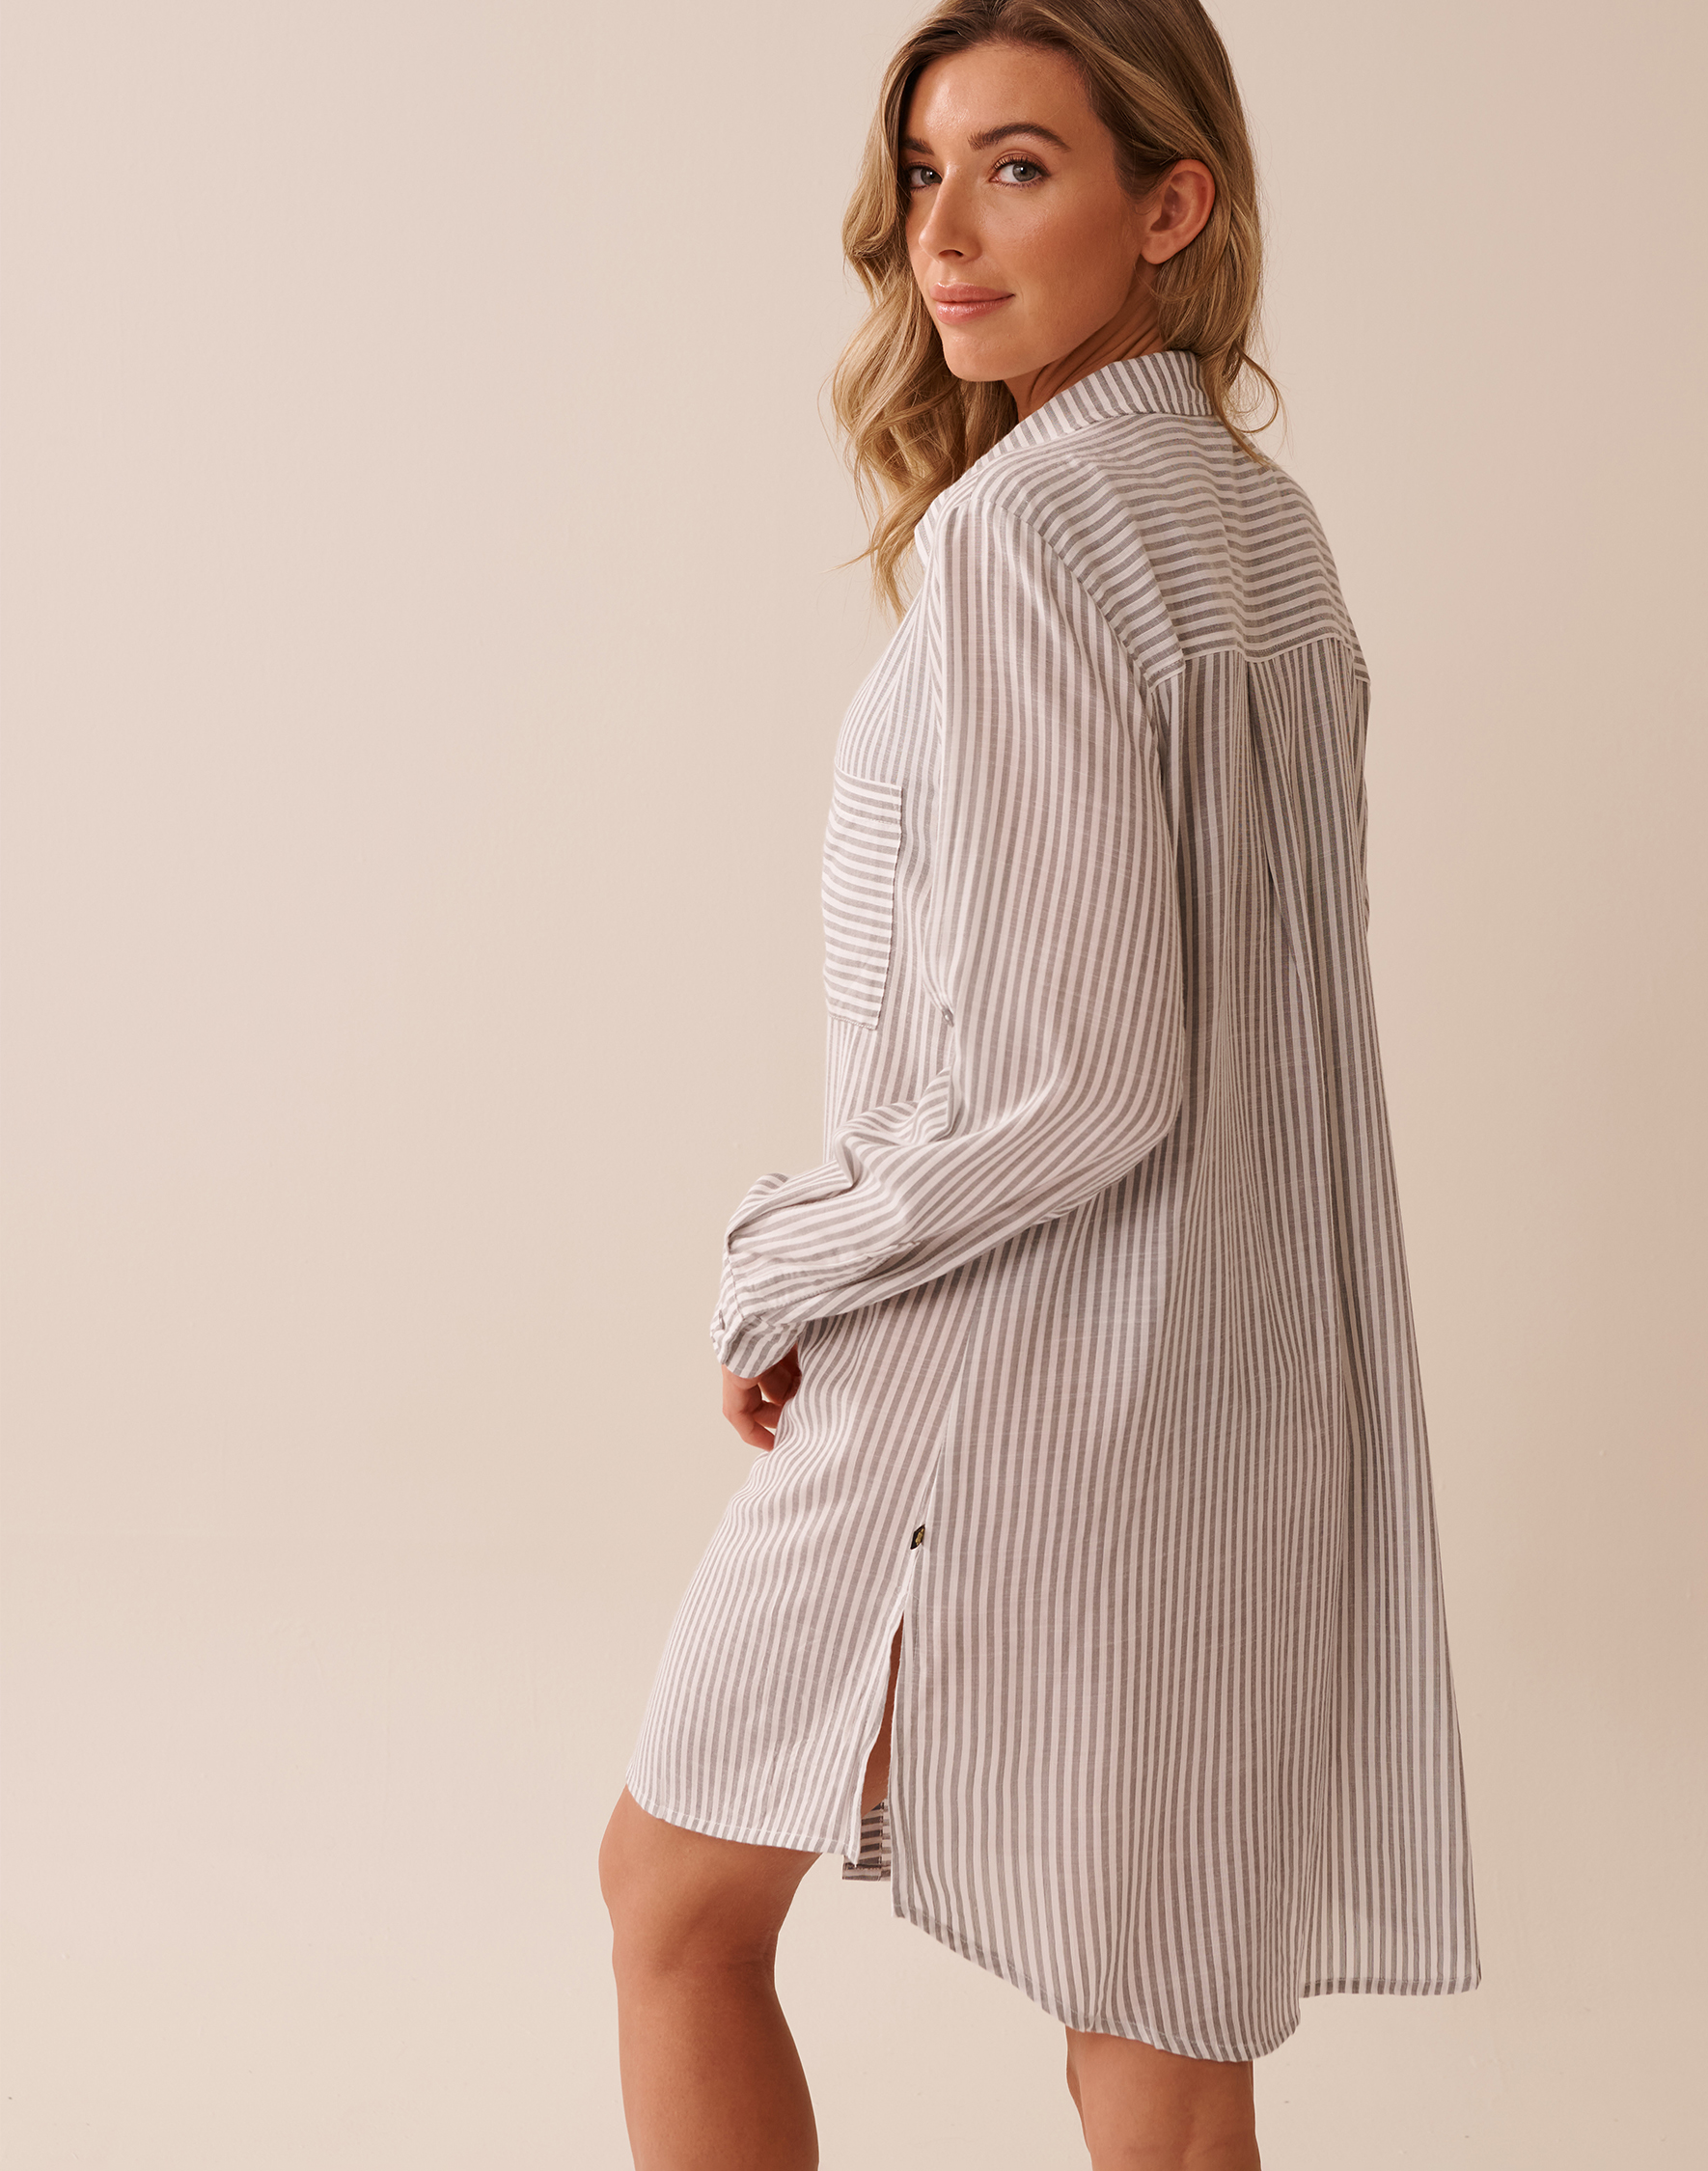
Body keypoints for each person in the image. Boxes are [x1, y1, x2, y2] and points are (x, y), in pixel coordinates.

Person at [598, 3, 1481, 2164]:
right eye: (925, 173)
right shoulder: (1264, 527)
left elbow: (1079, 1076)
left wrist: (789, 1264)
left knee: (678, 1899)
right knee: (1155, 2025)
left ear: (1170, 204)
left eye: (1019, 167)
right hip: (1236, 1371)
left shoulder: (1030, 532)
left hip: (1009, 1361)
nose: (945, 237)